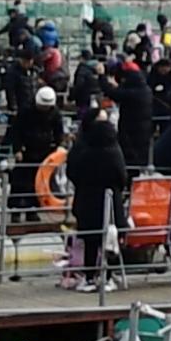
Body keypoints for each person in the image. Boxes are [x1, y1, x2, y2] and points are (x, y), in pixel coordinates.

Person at [65, 106, 130, 291]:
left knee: (90, 241)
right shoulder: (114, 149)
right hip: (110, 200)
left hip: (86, 199)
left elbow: (72, 172)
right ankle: (108, 277)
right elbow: (122, 176)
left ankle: (89, 277)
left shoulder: (82, 147)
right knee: (109, 240)